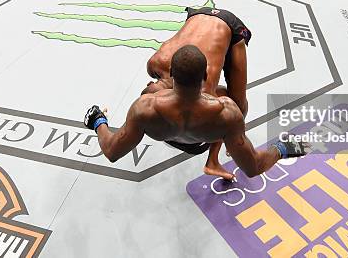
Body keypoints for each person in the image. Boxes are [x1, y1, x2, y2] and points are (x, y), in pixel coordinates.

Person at [85, 45, 309, 181]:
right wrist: (281, 149)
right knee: (228, 96)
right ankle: (281, 148)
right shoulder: (226, 113)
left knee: (151, 90)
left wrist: (98, 121)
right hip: (206, 134)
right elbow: (254, 168)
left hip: (164, 129)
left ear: (171, 73)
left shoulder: (145, 108)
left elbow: (112, 151)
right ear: (205, 76)